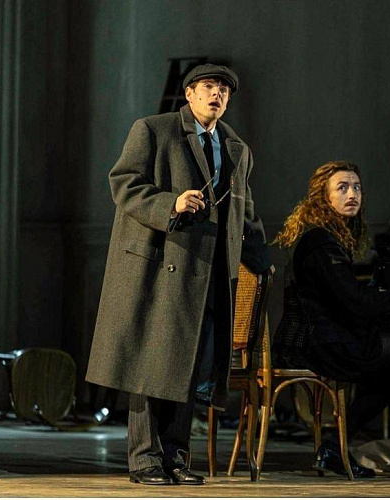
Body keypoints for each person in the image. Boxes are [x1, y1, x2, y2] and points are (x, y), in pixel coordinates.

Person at [86, 63, 271, 486]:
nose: (216, 94)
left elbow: (246, 213)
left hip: (205, 274)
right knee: (149, 364)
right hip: (158, 269)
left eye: (223, 89)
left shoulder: (236, 147)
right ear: (189, 93)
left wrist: (263, 263)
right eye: (208, 86)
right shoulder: (154, 130)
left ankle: (175, 456)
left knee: (189, 365)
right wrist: (170, 203)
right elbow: (123, 183)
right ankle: (145, 459)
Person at [272, 160, 390, 479]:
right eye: (342, 188)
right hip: (322, 344)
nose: (352, 194)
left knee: (387, 378)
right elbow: (356, 302)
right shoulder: (320, 241)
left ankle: (336, 448)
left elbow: (349, 300)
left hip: (323, 338)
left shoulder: (326, 237)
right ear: (323, 197)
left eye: (356, 187)